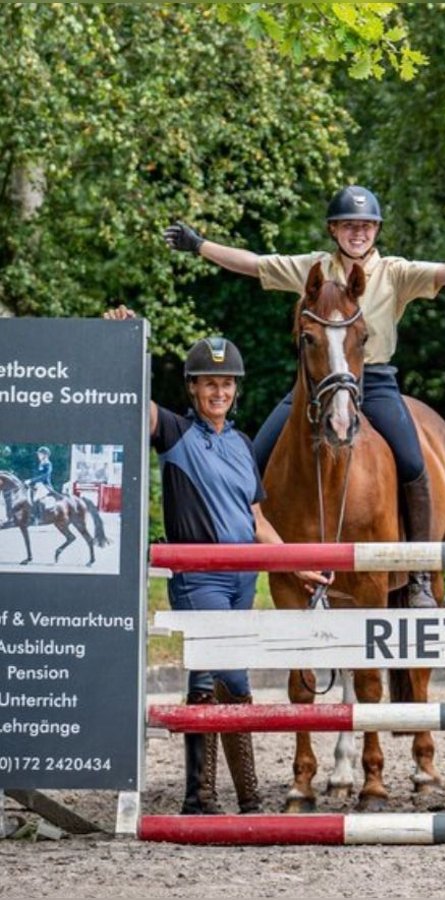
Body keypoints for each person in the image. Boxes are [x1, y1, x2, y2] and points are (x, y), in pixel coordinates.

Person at [163, 185, 445, 608]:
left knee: (413, 462)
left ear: (376, 231)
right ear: (334, 229)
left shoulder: (395, 272)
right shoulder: (312, 268)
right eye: (350, 226)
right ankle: (246, 555)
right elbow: (254, 263)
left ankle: (422, 573)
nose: (359, 233)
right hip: (316, 382)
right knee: (255, 457)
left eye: (367, 226)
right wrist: (199, 245)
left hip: (373, 381)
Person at [105, 308, 328, 815]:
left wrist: (296, 562)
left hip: (242, 578)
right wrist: (123, 342)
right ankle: (246, 801)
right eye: (209, 384)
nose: (219, 394)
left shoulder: (243, 445)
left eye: (226, 385)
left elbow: (257, 522)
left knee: (210, 681)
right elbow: (136, 406)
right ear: (192, 388)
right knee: (233, 681)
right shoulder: (178, 433)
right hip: (200, 577)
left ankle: (201, 797)